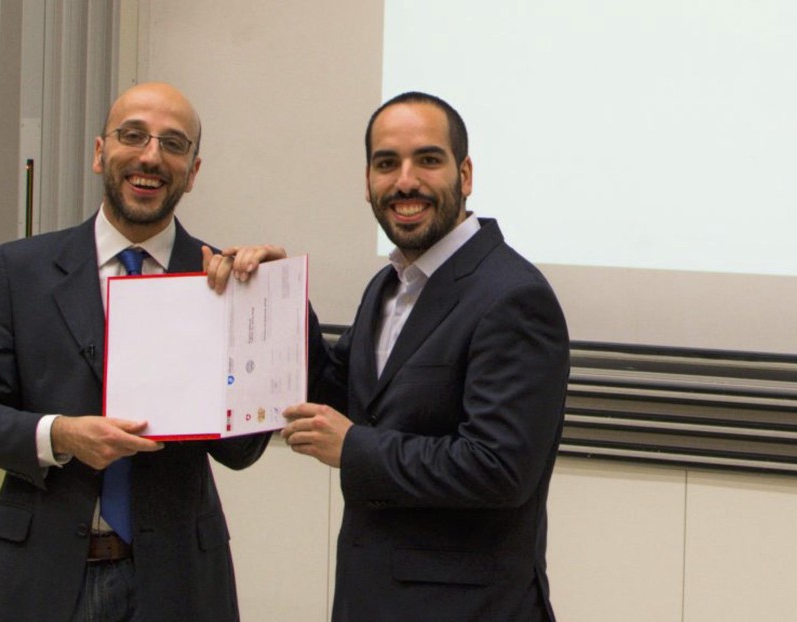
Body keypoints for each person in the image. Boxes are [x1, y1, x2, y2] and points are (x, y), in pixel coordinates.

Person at [208, 92, 570, 621]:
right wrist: (278, 303)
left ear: (465, 175)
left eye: (428, 159)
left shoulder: (512, 296)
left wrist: (355, 449)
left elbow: (499, 468)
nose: (405, 181)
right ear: (367, 182)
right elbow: (345, 395)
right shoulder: (390, 284)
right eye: (386, 164)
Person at [0, 82, 271, 622]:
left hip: (178, 581)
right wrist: (61, 435)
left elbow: (243, 450)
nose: (150, 156)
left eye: (173, 144)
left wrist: (270, 301)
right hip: (41, 576)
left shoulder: (224, 280)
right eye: (133, 135)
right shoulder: (21, 270)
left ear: (192, 172)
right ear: (100, 152)